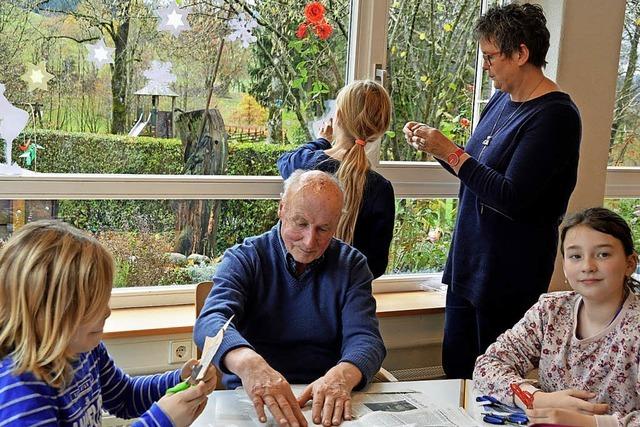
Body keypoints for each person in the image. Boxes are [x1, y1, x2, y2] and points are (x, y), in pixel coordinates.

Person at [402, 3, 581, 378]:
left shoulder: (555, 116)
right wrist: (437, 150)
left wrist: (449, 151)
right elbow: (476, 172)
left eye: (490, 56)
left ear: (521, 53)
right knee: (456, 372)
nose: (486, 65)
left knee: (493, 384)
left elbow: (512, 198)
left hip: (508, 274)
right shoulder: (500, 99)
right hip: (469, 263)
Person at [194, 169, 386, 427]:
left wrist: (342, 375)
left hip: (324, 401)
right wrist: (249, 363)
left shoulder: (352, 266)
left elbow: (366, 339)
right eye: (301, 223)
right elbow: (211, 320)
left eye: (323, 229)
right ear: (282, 209)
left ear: (336, 224)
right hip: (251, 399)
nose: (309, 241)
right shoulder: (245, 257)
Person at [0, 220, 217, 426]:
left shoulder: (86, 351)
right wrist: (161, 421)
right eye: (93, 304)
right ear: (49, 311)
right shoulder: (21, 390)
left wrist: (178, 380)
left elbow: (125, 397)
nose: (107, 312)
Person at [473, 207, 640, 427]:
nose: (587, 266)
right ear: (564, 267)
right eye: (575, 256)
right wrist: (536, 399)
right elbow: (488, 364)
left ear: (630, 263)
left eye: (603, 254)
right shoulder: (550, 311)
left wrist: (595, 423)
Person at [277, 80, 395, 279]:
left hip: (296, 287)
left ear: (337, 116)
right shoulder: (381, 188)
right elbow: (376, 264)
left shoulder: (310, 164)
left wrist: (322, 141)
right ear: (379, 131)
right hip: (348, 296)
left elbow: (284, 161)